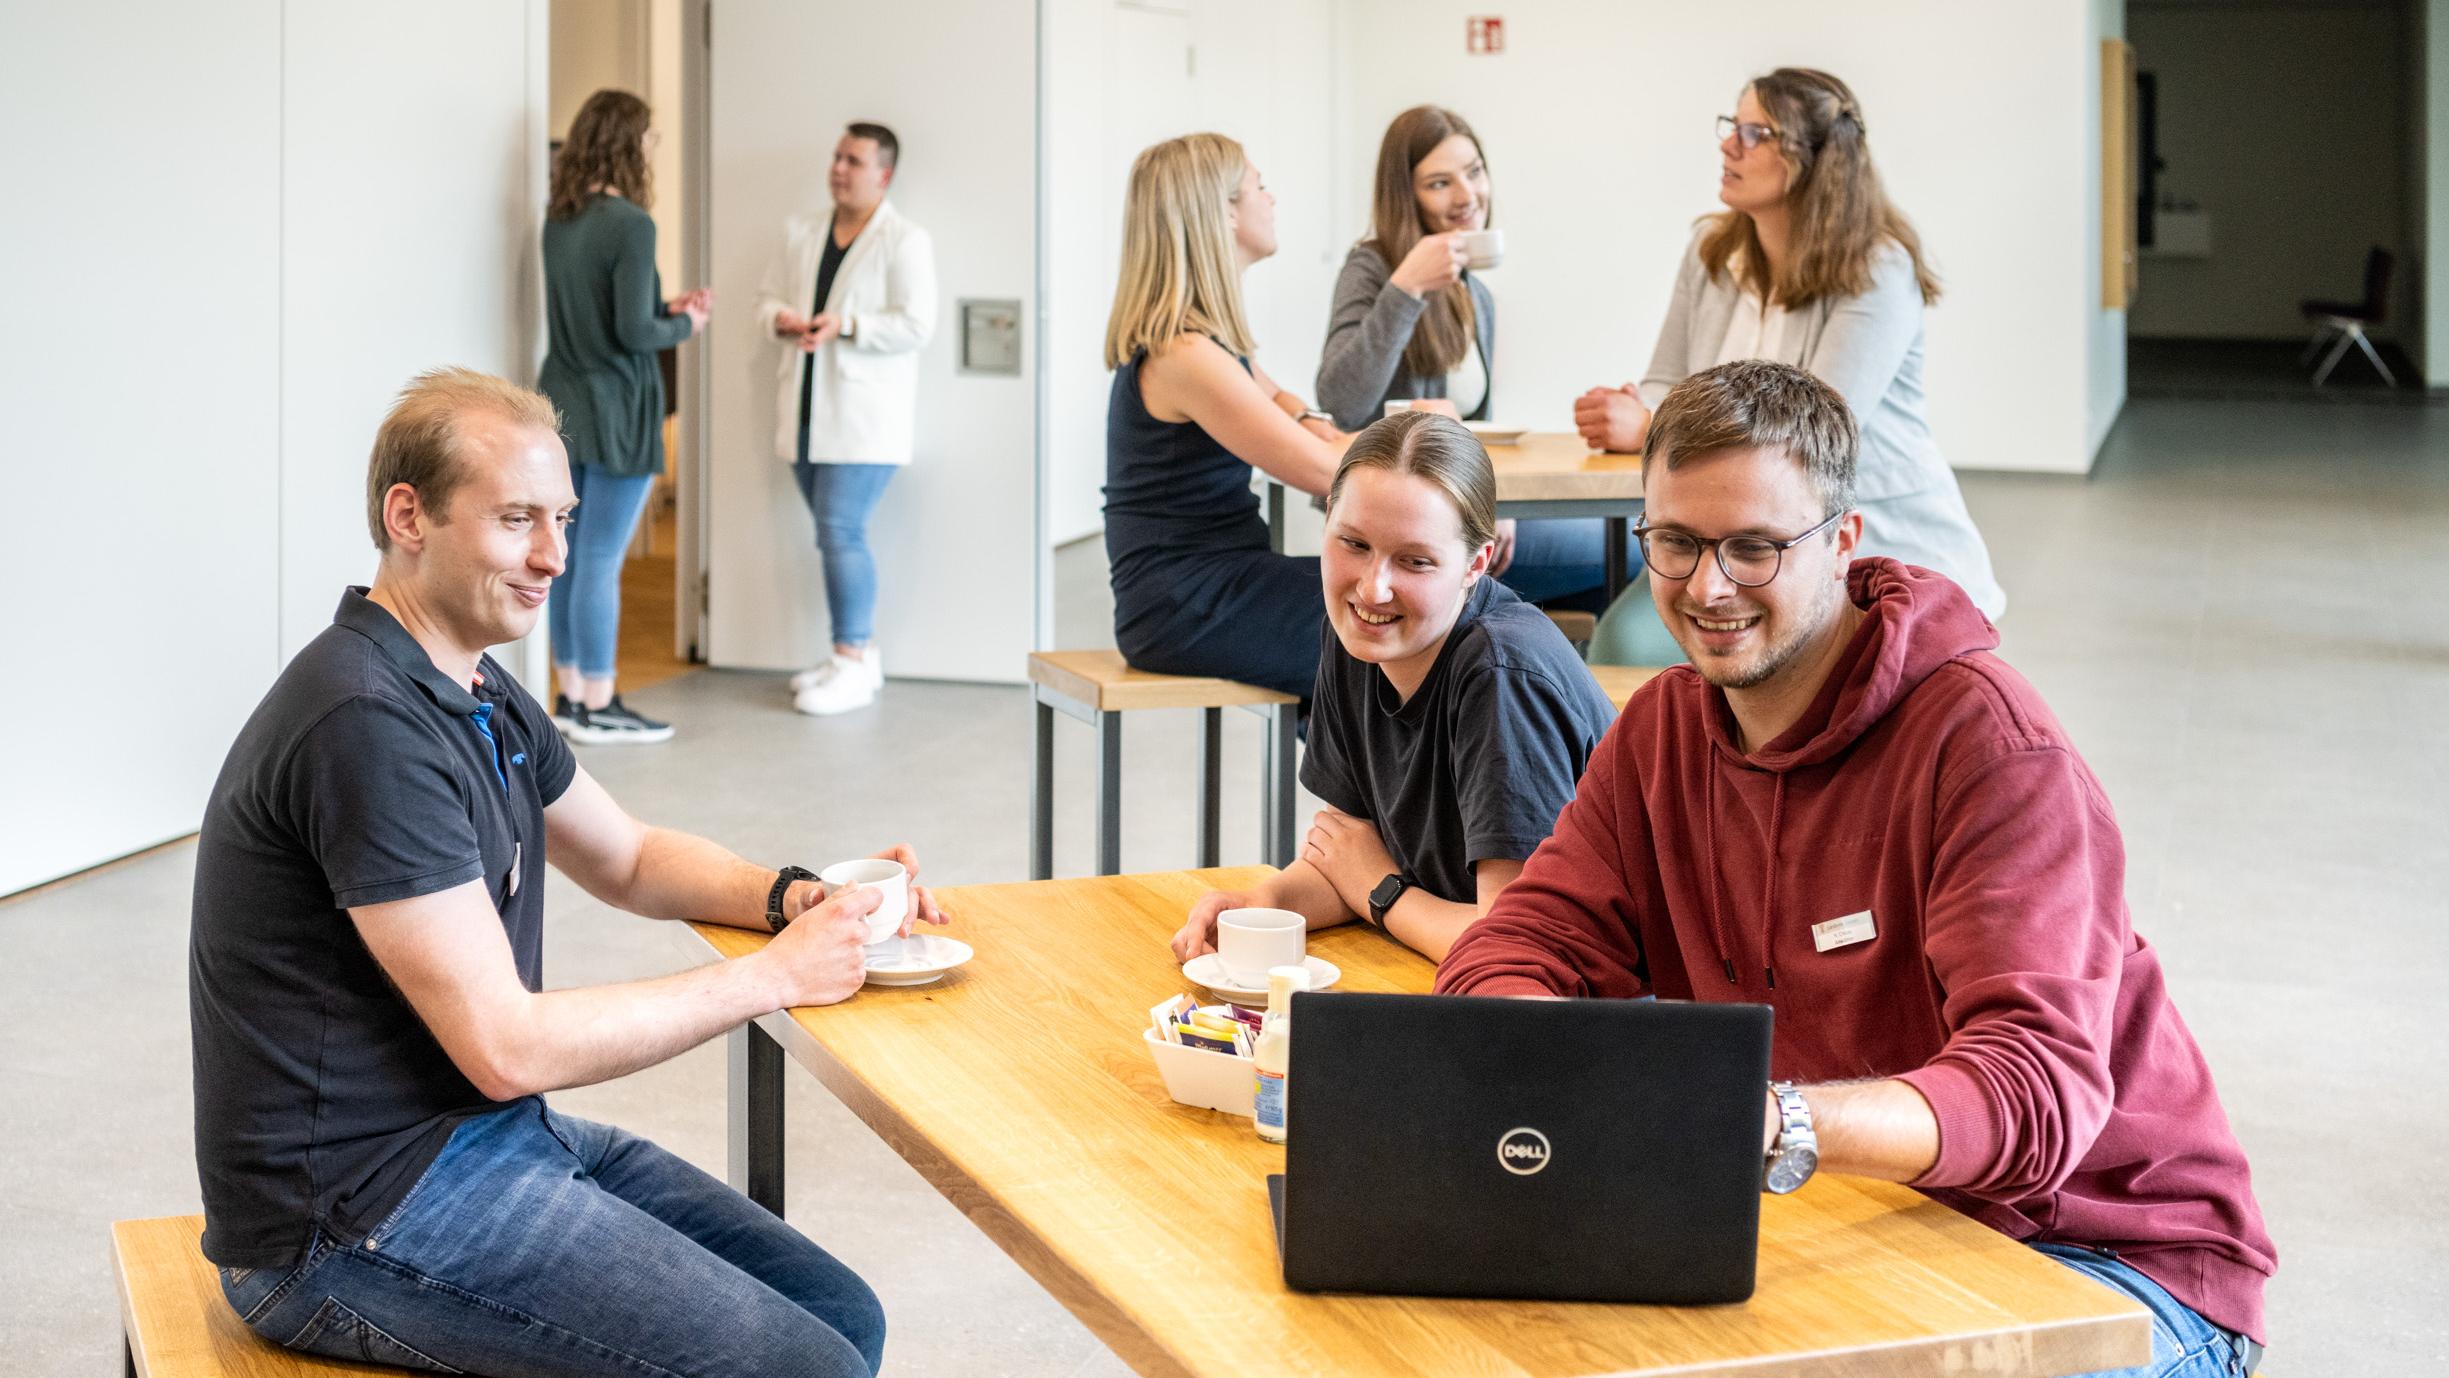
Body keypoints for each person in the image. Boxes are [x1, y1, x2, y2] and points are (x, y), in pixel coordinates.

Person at [1440, 361, 2274, 1378]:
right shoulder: (1659, 732)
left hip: (2108, 1260)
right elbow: (1524, 942)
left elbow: (2032, 1092)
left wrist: (1775, 1121)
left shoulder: (1990, 751)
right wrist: (1542, 1059)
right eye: (1676, 544)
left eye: (1754, 548)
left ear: (1842, 542)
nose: (1708, 588)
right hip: (1860, 1217)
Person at [189, 368, 947, 1376]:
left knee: (836, 1312)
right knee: (809, 1366)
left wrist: (792, 899)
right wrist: (773, 975)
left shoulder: (475, 686)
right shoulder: (363, 721)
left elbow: (627, 856)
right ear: (406, 515)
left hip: (480, 1141)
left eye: (562, 517)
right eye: (515, 520)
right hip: (350, 1219)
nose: (553, 555)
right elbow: (506, 1045)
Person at [1170, 411, 1613, 965]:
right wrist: (1263, 906)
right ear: (1328, 518)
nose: (1373, 588)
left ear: (1476, 564)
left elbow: (1516, 947)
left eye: (1416, 561)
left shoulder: (1501, 676)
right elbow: (1346, 859)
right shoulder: (1361, 633)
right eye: (1354, 544)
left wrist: (1385, 895)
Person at [1574, 68, 2005, 630]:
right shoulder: (1710, 249)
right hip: (1738, 542)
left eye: (1757, 134)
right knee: (1621, 637)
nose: (1730, 144)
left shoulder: (1877, 268)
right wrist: (1654, 413)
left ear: (1814, 161)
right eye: (1733, 126)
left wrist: (1649, 425)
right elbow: (1666, 381)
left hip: (1872, 553)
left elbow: (1808, 441)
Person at [1318, 105, 1607, 609]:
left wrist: (1497, 497)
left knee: (1619, 544)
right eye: (1439, 183)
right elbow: (1342, 398)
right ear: (1405, 195)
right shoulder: (1372, 268)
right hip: (1409, 524)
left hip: (1459, 517)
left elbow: (1473, 430)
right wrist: (1406, 285)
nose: (1467, 195)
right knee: (1621, 553)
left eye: (1474, 173)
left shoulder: (1476, 296)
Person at [1103, 132, 1346, 700]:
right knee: (1409, 612)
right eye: (1259, 185)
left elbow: (1278, 400)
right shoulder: (1186, 357)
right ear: (1223, 213)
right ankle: (1378, 788)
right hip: (1186, 602)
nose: (1272, 199)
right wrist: (1429, 446)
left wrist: (1301, 413)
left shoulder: (1205, 343)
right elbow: (1325, 472)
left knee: (1401, 609)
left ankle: (1368, 785)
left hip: (1210, 585)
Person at [539, 88, 708, 744]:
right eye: (648, 136)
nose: (652, 147)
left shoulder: (562, 216)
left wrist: (665, 308)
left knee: (566, 556)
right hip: (618, 407)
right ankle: (602, 701)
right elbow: (635, 332)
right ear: (628, 142)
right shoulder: (632, 223)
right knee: (601, 559)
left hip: (563, 401)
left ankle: (570, 694)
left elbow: (609, 312)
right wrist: (687, 322)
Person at [758, 121, 938, 716]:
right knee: (831, 533)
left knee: (840, 531)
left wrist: (849, 325)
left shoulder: (904, 240)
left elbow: (918, 324)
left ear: (883, 175)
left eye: (853, 161)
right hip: (807, 409)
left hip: (864, 420)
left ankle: (853, 658)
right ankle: (854, 656)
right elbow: (766, 300)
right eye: (836, 157)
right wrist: (783, 319)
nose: (838, 169)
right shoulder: (802, 231)